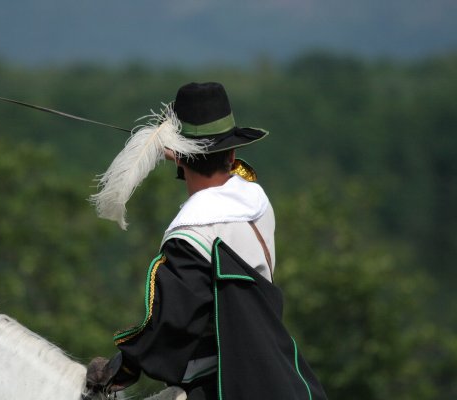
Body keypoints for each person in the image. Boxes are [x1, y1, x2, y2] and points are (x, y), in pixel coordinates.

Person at [86, 82, 327, 400]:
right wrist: (187, 156)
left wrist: (122, 367)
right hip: (278, 373)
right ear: (233, 153)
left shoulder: (189, 236)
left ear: (178, 159)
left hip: (222, 386)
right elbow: (235, 178)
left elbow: (171, 326)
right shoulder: (258, 203)